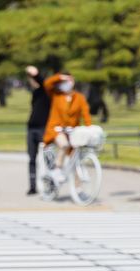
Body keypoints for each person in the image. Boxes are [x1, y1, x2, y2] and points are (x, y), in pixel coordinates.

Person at [43, 72, 91, 184]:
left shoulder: (79, 98)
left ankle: (78, 188)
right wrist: (61, 77)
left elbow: (86, 114)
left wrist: (89, 128)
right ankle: (57, 169)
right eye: (63, 82)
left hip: (72, 131)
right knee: (64, 145)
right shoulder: (56, 95)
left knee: (77, 157)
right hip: (56, 129)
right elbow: (47, 84)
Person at [24, 66, 50, 195]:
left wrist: (36, 73)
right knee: (32, 158)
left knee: (48, 157)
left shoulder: (46, 92)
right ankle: (32, 186)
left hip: (43, 128)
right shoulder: (35, 93)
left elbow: (42, 83)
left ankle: (50, 183)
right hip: (31, 128)